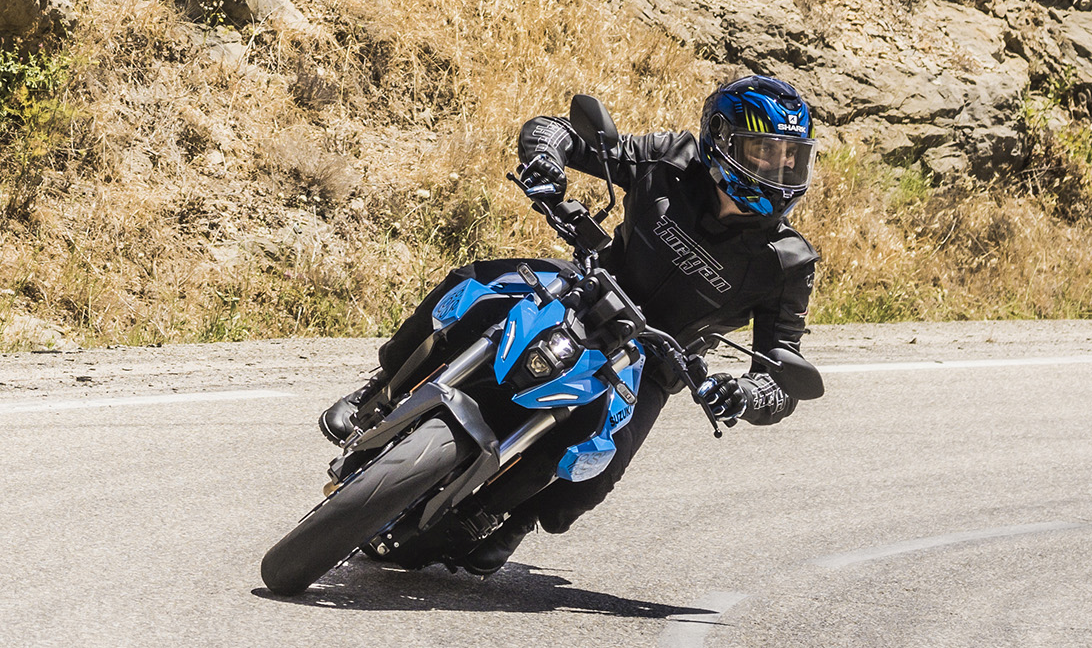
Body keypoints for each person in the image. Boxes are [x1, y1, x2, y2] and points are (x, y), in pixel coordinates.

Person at [317, 75, 823, 576]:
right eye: (763, 151)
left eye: (791, 157)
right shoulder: (672, 158)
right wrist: (546, 158)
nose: (778, 168)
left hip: (653, 361)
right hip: (584, 287)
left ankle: (508, 518)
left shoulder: (788, 261)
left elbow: (783, 369)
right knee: (475, 286)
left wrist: (745, 395)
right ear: (720, 139)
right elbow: (563, 132)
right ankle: (377, 392)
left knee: (599, 471)